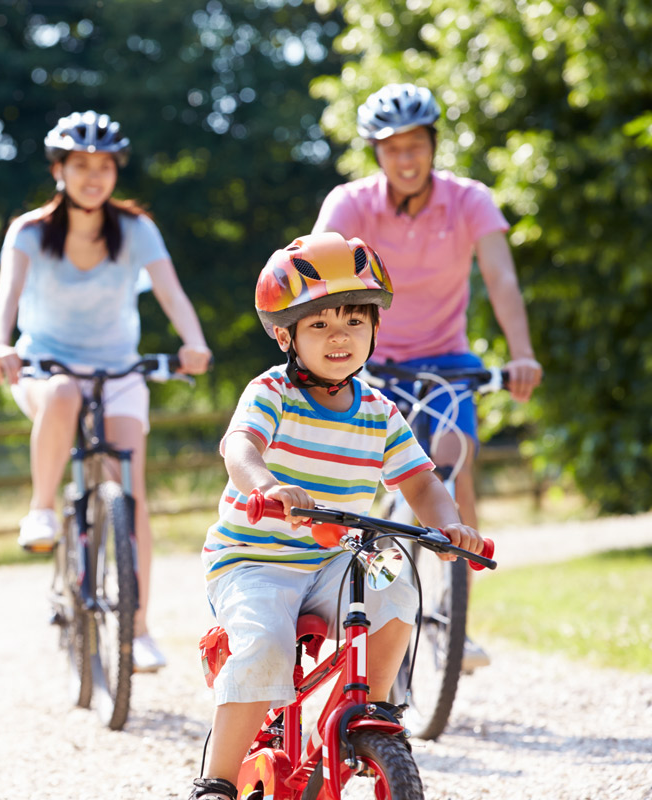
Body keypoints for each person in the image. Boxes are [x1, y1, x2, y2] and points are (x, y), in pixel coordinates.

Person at [188, 232, 483, 800]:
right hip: (255, 561)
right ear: (286, 335)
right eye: (319, 324)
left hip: (336, 559)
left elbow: (421, 480)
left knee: (397, 580)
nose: (339, 336)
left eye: (354, 320)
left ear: (375, 328)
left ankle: (371, 710)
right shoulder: (271, 391)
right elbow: (239, 448)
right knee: (265, 646)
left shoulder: (378, 410)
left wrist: (448, 525)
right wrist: (268, 486)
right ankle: (217, 782)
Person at [312, 82, 542, 670]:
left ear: (433, 145)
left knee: (451, 456)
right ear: (376, 153)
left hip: (446, 361)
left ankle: (452, 617)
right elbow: (317, 272)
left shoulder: (469, 201)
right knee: (370, 488)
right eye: (393, 148)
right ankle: (380, 598)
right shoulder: (352, 203)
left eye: (416, 145)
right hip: (372, 362)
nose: (406, 159)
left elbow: (502, 281)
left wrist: (521, 353)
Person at [0, 110, 211, 673]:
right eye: (80, 165)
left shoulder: (135, 229)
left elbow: (172, 293)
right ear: (59, 169)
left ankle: (137, 631)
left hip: (118, 372)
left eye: (104, 166)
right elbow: (6, 297)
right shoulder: (31, 232)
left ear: (116, 172)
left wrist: (194, 341)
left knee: (129, 491)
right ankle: (41, 511)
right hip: (45, 366)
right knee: (61, 394)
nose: (93, 176)